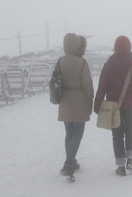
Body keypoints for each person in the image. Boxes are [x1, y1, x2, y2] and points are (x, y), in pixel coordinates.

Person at [94, 36, 132, 176]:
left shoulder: (109, 65)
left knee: (117, 134)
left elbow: (102, 86)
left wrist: (97, 105)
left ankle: (120, 166)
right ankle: (130, 160)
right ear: (129, 47)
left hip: (115, 106)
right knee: (131, 131)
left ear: (115, 47)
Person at [57, 33, 94, 179]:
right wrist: (92, 97)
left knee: (69, 133)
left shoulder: (60, 61)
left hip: (65, 101)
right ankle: (68, 164)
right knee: (77, 134)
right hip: (79, 102)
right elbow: (87, 84)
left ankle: (71, 161)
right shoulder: (81, 62)